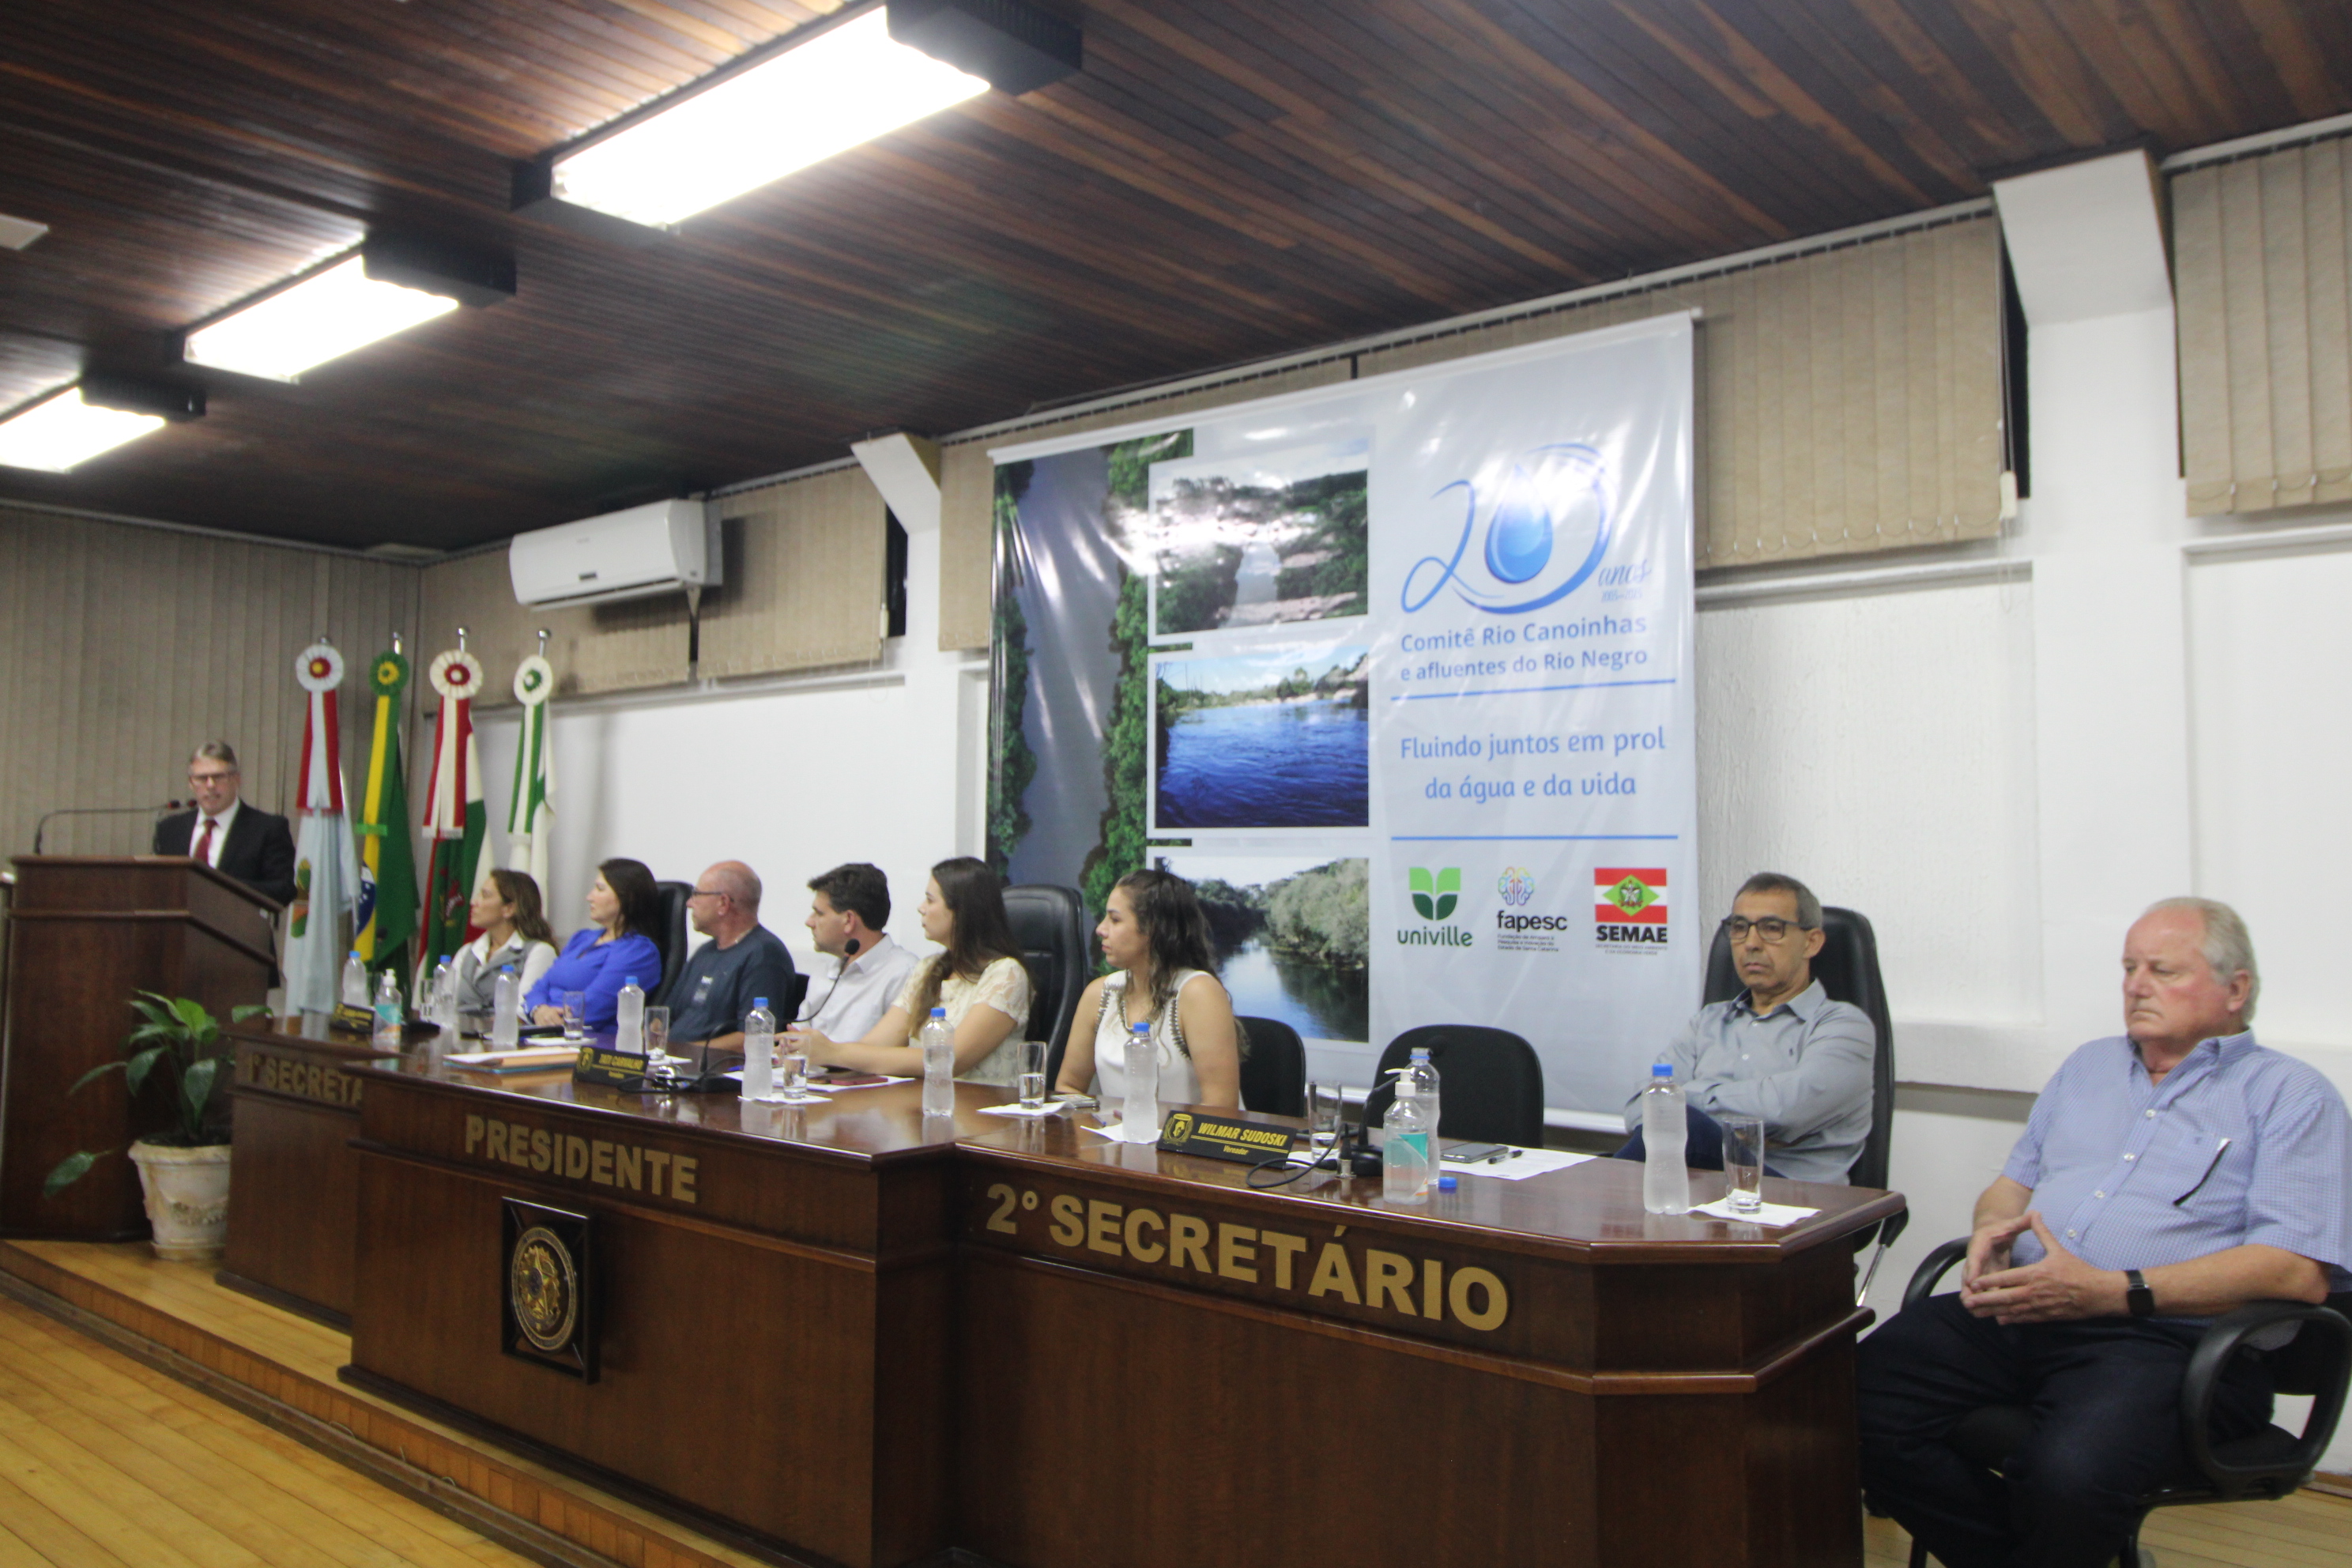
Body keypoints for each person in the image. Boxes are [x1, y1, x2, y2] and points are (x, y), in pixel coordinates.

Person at [1856, 897, 2350, 1568]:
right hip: (2026, 1311)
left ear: (2236, 990)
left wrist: (2115, 1291)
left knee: (2068, 1476)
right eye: (2128, 968)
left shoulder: (2292, 1096)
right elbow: (2012, 1186)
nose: (2136, 986)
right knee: (1845, 1402)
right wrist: (1990, 1231)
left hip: (2167, 1343)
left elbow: (2296, 1271)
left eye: (2163, 970)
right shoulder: (2087, 1068)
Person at [1612, 871, 1874, 1182]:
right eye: (1739, 928)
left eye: (1771, 928)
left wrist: (1683, 1098)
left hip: (1796, 1198)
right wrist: (1751, 1126)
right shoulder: (1708, 1022)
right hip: (1700, 1191)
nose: (1751, 943)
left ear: (1811, 942)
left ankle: (1593, 1212)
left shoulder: (1843, 1026)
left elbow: (1785, 1110)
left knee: (1684, 1125)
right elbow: (1638, 1107)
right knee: (1672, 1130)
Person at [788, 857, 1030, 1085]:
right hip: (923, 1107)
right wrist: (818, 1049)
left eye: (930, 900)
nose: (921, 908)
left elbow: (948, 1060)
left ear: (962, 910)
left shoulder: (1006, 974)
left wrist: (836, 1052)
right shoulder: (929, 968)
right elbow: (878, 1045)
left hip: (983, 1115)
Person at [1054, 869, 1243, 1111]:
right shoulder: (1099, 993)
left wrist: (1151, 1131)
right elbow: (1068, 1087)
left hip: (1184, 1145)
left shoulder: (1198, 993)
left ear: (1152, 928)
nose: (1101, 929)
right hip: (1112, 1143)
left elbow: (1221, 1107)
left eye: (1115, 919)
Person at [665, 861, 797, 1050]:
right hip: (673, 1062)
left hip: (711, 1068)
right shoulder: (706, 951)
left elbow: (753, 1037)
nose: (689, 903)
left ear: (723, 903)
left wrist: (685, 1052)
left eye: (697, 894)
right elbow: (667, 1016)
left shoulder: (764, 955)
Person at [153, 741, 297, 905]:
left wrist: (221, 888)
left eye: (219, 777)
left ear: (236, 779)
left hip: (240, 927)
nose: (210, 785)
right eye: (201, 778)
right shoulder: (169, 829)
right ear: (191, 783)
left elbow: (283, 890)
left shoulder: (267, 828)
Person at [526, 858, 663, 1029]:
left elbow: (593, 1007)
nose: (589, 897)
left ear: (627, 896)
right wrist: (539, 1009)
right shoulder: (582, 938)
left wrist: (551, 1017)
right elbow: (540, 986)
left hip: (589, 1039)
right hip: (544, 1029)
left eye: (600, 889)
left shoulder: (639, 951)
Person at [797, 863, 918, 1042]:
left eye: (819, 913)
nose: (809, 922)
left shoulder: (905, 973)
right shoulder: (824, 972)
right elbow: (800, 1036)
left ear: (849, 920)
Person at [451, 869, 558, 1014]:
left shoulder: (539, 952)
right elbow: (446, 1004)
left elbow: (523, 1009)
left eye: (485, 895)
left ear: (509, 909)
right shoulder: (467, 952)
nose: (474, 902)